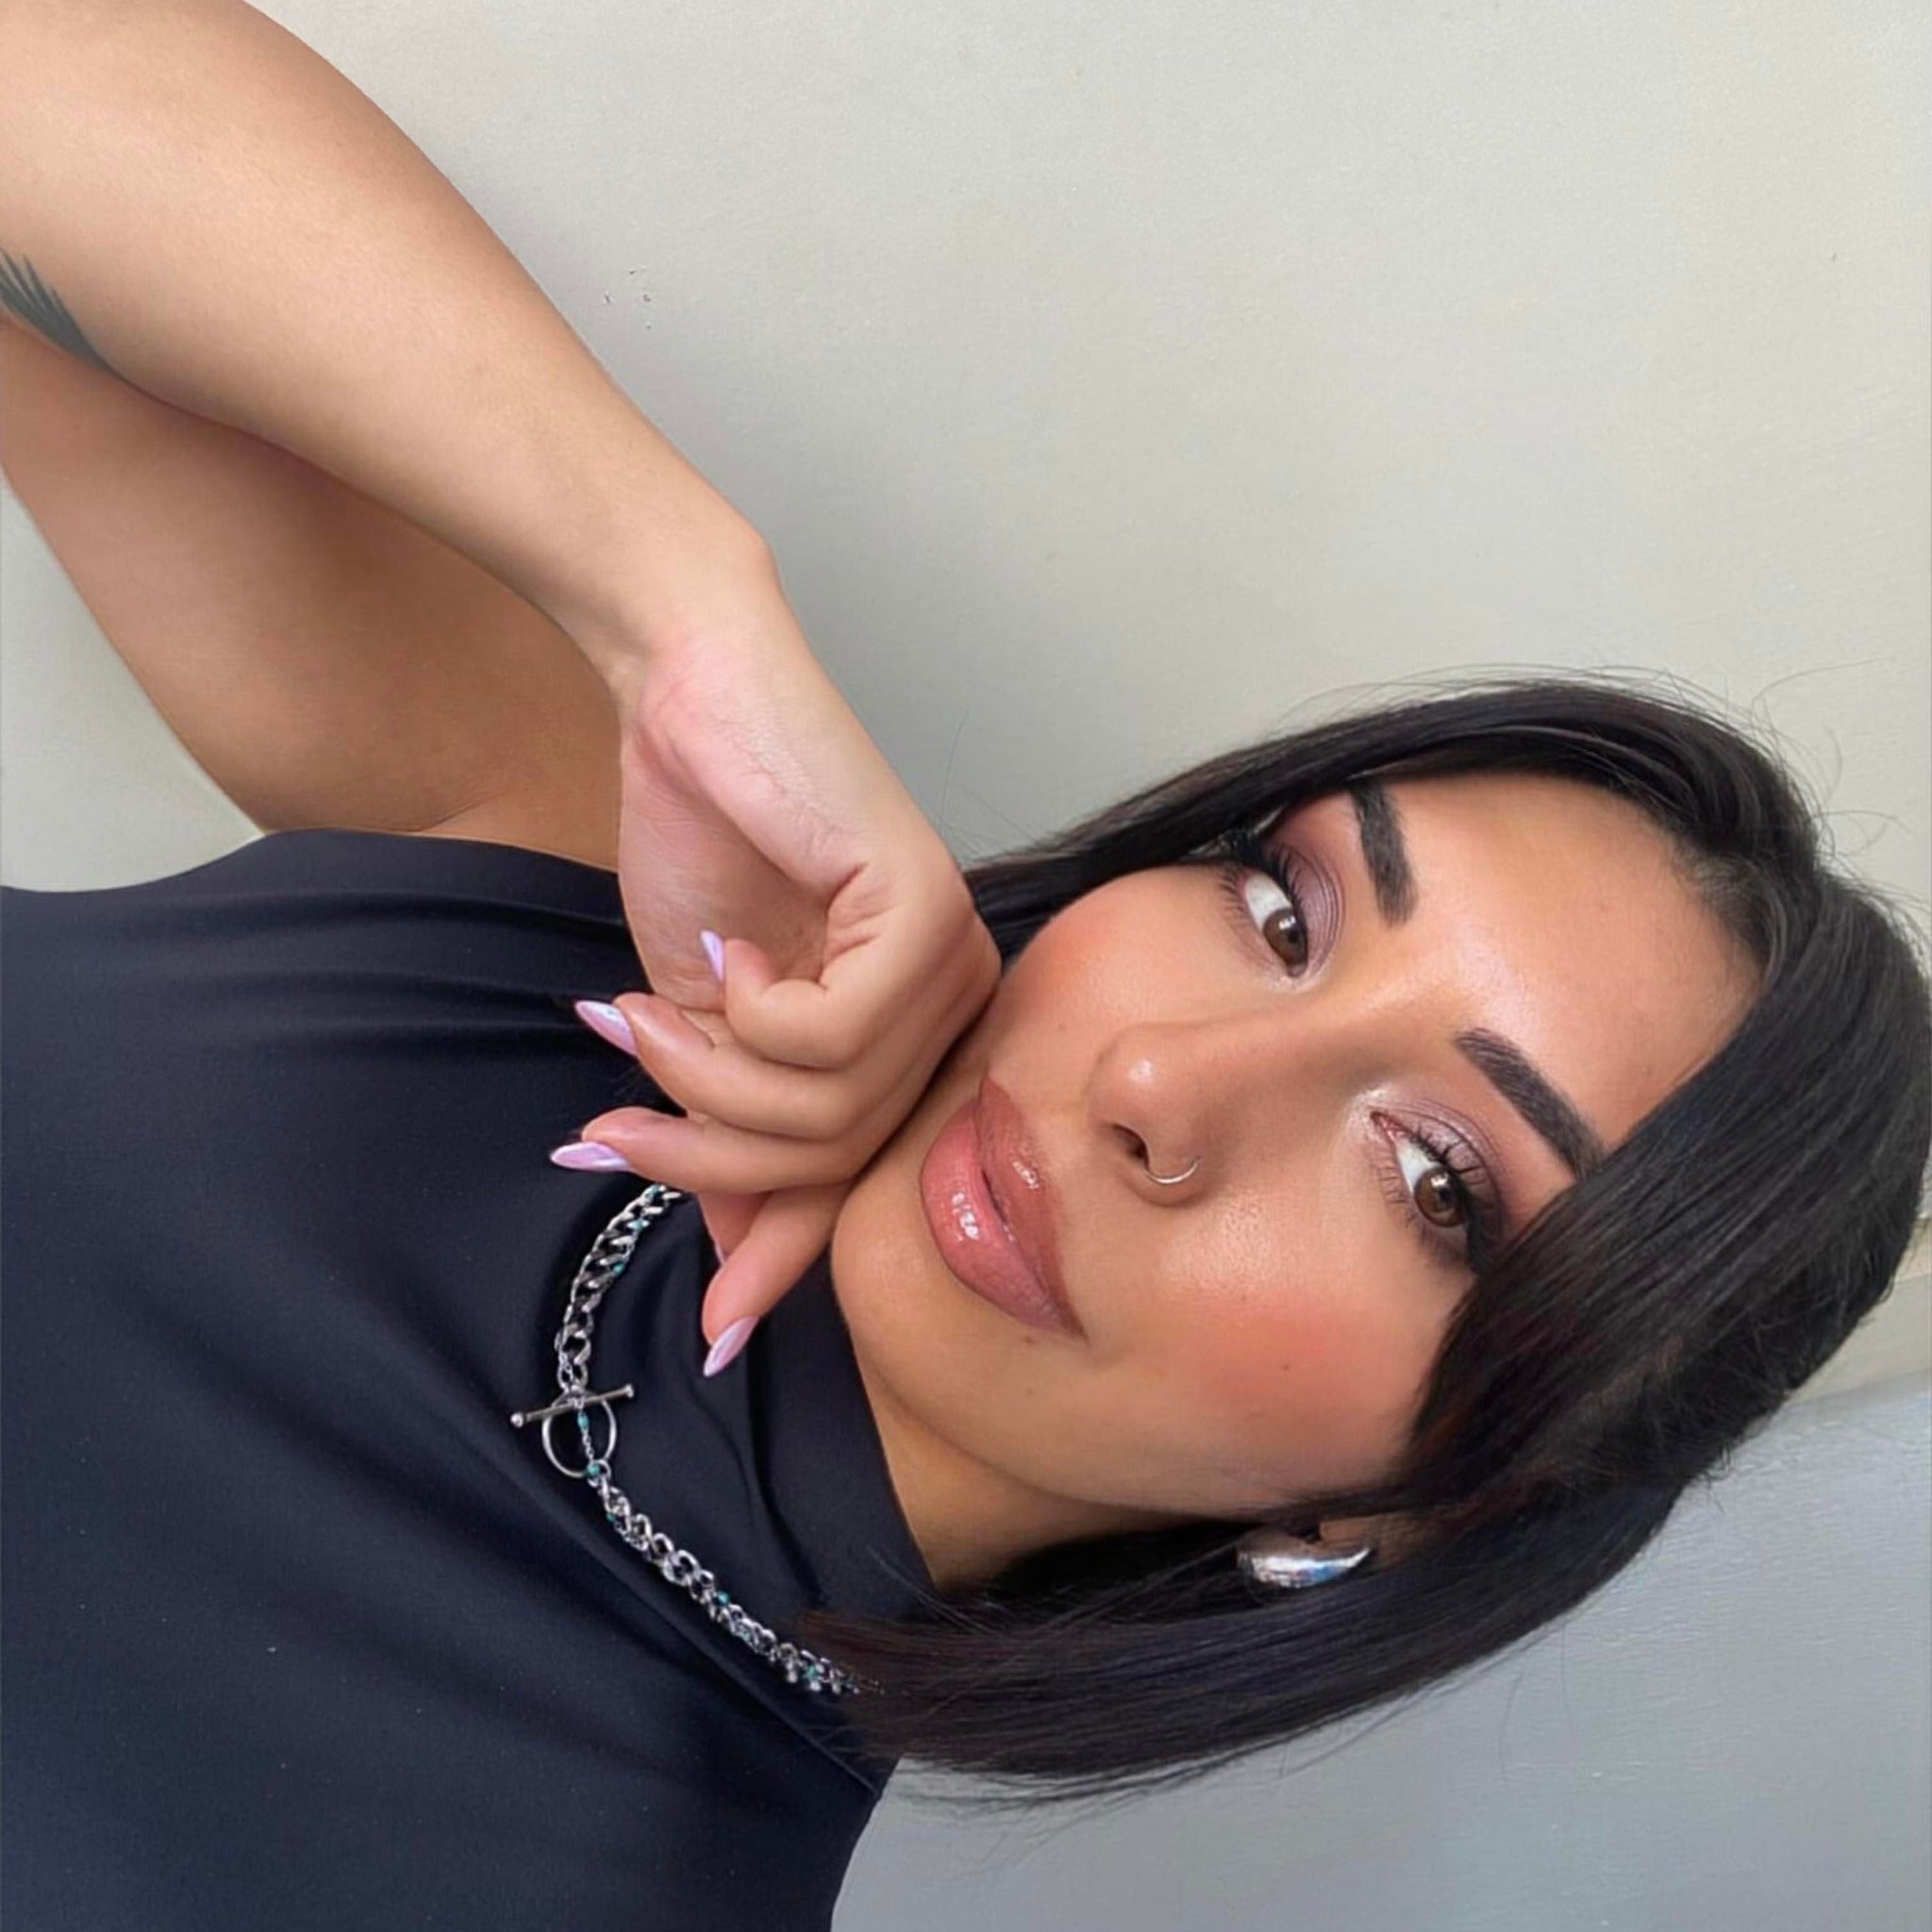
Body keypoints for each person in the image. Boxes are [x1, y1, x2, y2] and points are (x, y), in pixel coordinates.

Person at [3, 8, 1926, 1930]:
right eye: (1282, 910)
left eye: (1435, 1180)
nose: (1159, 1081)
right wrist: (675, 608)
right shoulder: (592, 917)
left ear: (1433, 1503)